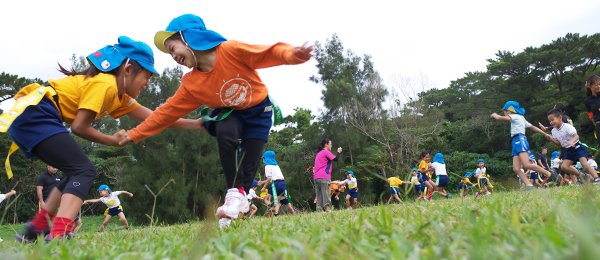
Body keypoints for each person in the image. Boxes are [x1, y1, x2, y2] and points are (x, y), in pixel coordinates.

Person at [115, 15, 313, 227]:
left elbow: (268, 53)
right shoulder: (192, 83)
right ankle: (233, 191)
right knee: (225, 128)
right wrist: (134, 134)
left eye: (173, 48)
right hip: (229, 114)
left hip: (259, 113)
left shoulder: (231, 50)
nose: (173, 56)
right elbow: (165, 114)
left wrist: (293, 54)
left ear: (188, 38)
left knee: (247, 170)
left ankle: (234, 208)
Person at [10, 36, 201, 243]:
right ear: (128, 69)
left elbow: (157, 117)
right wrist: (112, 140)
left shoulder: (119, 96)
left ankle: (33, 231)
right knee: (85, 170)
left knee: (76, 171)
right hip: (37, 114)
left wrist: (198, 124)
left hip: (29, 116)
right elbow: (79, 127)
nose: (147, 83)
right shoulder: (107, 85)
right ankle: (58, 234)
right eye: (147, 76)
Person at [490, 101, 553, 192]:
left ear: (509, 110)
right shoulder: (521, 118)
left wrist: (494, 115)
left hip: (519, 139)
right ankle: (529, 185)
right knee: (516, 168)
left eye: (505, 110)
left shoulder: (515, 116)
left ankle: (550, 173)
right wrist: (544, 134)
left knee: (527, 164)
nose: (504, 112)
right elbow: (533, 127)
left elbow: (500, 118)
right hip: (515, 141)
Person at [545, 109, 600, 184]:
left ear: (560, 118)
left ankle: (597, 179)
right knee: (564, 167)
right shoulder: (553, 131)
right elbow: (558, 144)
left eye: (552, 120)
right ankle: (581, 175)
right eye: (550, 121)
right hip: (568, 151)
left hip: (577, 148)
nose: (551, 122)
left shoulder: (567, 127)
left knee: (584, 164)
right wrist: (551, 139)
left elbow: (576, 136)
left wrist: (571, 142)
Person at [260, 151, 295, 217]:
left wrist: (264, 187)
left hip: (275, 184)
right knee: (277, 201)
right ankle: (275, 214)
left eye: (263, 158)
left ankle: (271, 207)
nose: (263, 160)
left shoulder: (267, 166)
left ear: (266, 159)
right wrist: (263, 182)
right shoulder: (276, 166)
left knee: (266, 199)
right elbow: (274, 177)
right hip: (282, 184)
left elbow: (270, 179)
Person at [314, 139, 342, 212]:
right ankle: (327, 209)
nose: (331, 146)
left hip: (316, 177)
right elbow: (336, 159)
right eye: (330, 144)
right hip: (324, 177)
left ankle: (319, 210)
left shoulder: (318, 153)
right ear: (326, 145)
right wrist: (338, 152)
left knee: (319, 195)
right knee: (326, 194)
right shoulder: (326, 152)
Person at [584, 75, 600, 156]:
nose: (598, 86)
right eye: (596, 85)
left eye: (599, 84)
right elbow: (591, 116)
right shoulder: (587, 100)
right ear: (589, 86)